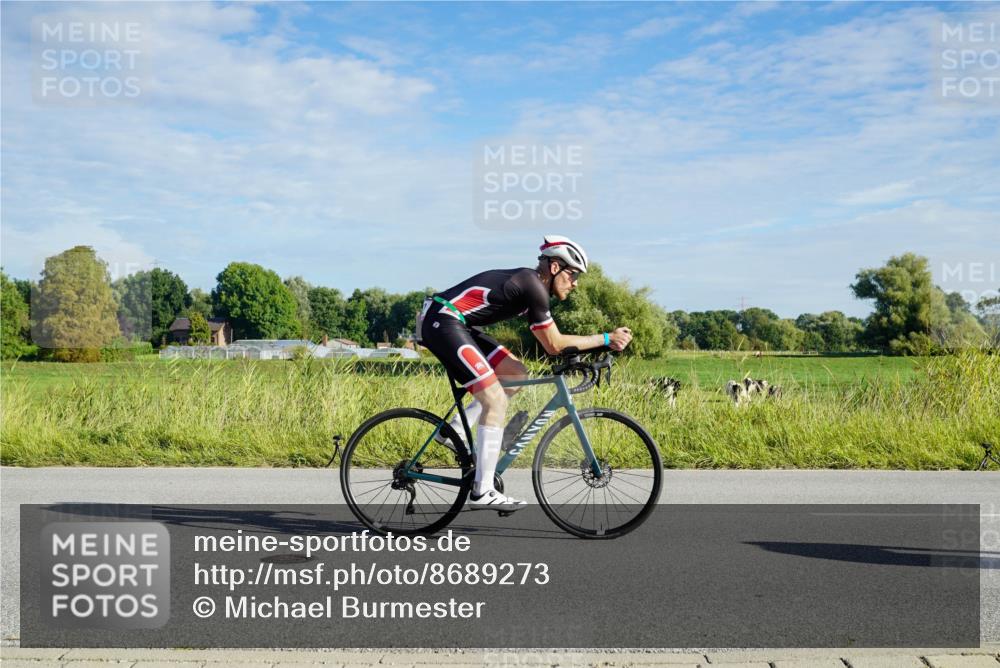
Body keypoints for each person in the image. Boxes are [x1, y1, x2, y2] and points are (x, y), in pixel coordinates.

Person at [417, 235, 633, 509]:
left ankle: (454, 432)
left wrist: (582, 353)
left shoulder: (533, 288)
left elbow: (551, 345)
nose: (575, 283)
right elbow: (554, 344)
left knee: (515, 372)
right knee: (494, 399)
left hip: (456, 323)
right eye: (573, 274)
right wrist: (604, 339)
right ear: (555, 267)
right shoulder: (533, 286)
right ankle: (482, 492)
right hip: (442, 320)